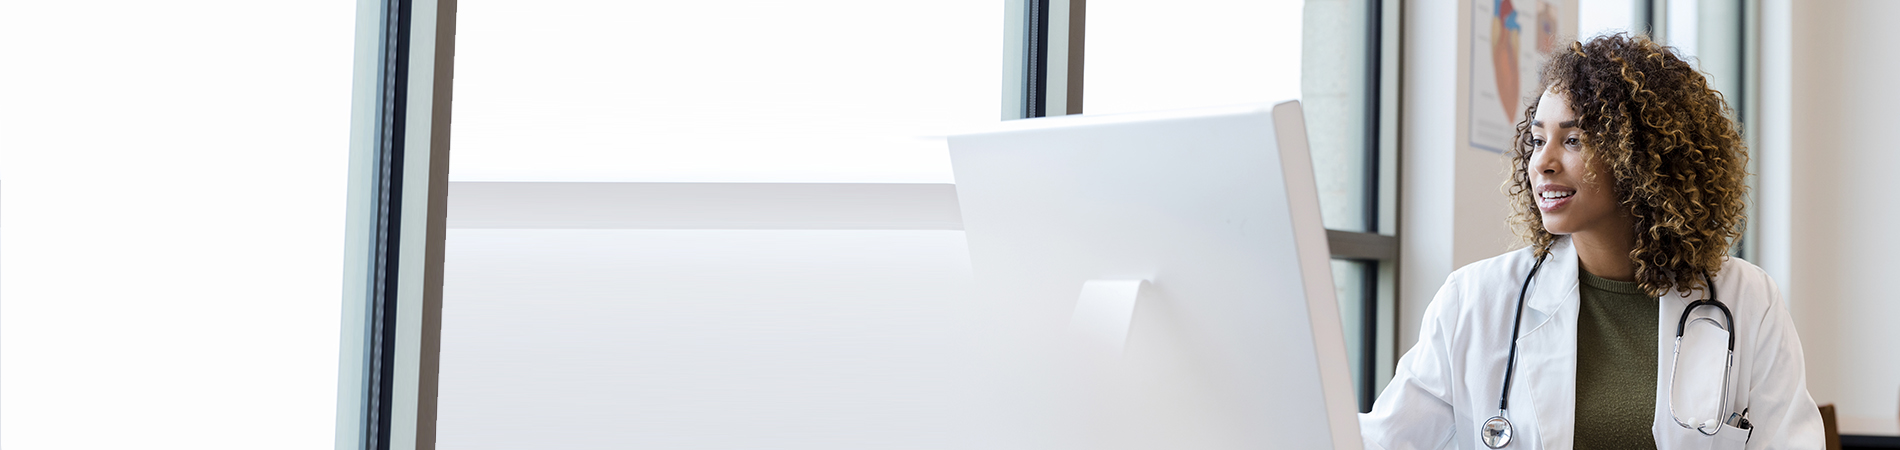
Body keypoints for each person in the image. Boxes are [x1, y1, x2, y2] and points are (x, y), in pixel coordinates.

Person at [1357, 34, 1823, 449]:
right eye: (1537, 141)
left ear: (1641, 157)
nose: (1543, 163)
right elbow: (1383, 439)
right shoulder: (1475, 300)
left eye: (1574, 140)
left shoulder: (1748, 301)